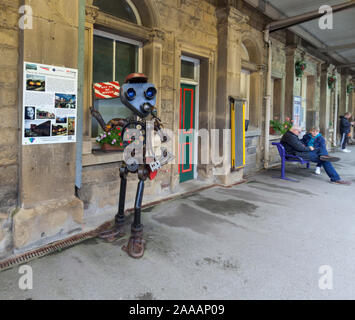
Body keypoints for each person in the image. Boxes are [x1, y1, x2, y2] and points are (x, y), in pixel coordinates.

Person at [281, 126, 350, 185]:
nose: (299, 133)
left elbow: (299, 144)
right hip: (296, 154)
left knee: (321, 151)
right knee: (324, 160)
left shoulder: (290, 135)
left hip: (298, 152)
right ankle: (335, 178)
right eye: (299, 132)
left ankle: (325, 156)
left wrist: (304, 146)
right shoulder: (290, 136)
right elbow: (300, 147)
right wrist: (309, 148)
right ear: (294, 130)